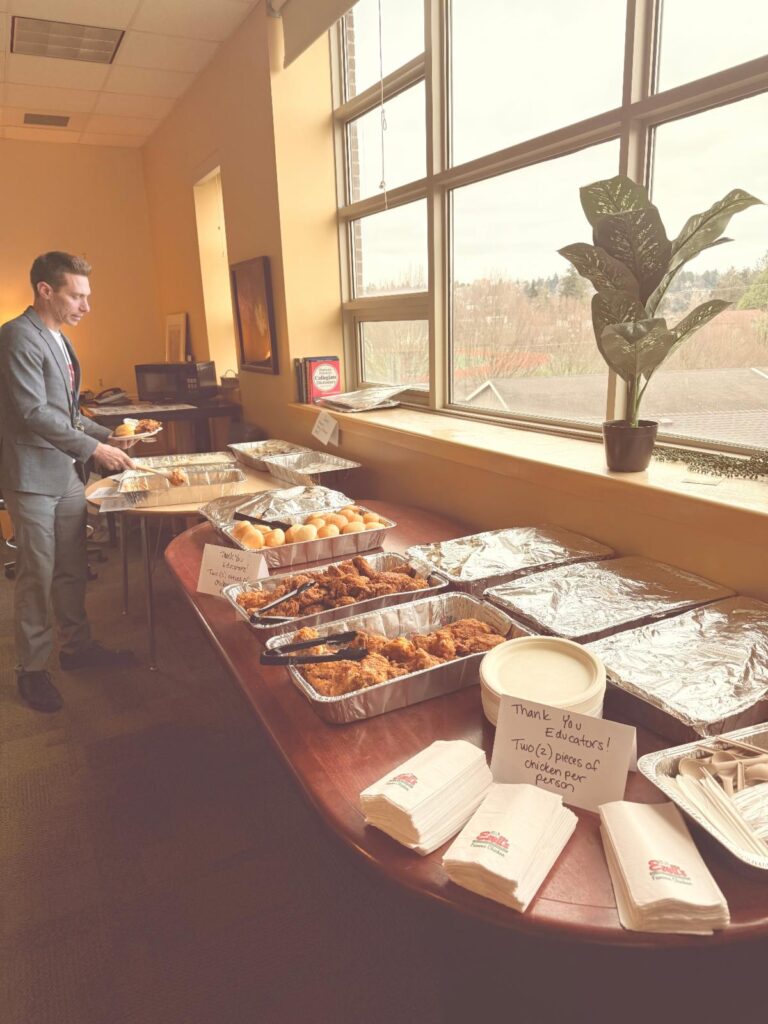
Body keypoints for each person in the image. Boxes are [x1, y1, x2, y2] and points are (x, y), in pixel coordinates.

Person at [0, 251, 137, 713]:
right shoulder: (18, 336)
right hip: (33, 478)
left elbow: (69, 415)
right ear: (46, 290)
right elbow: (33, 412)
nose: (86, 306)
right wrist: (96, 451)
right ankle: (32, 671)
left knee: (72, 568)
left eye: (86, 296)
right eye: (76, 296)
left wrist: (111, 433)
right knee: (37, 575)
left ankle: (77, 648)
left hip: (66, 474)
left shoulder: (60, 339)